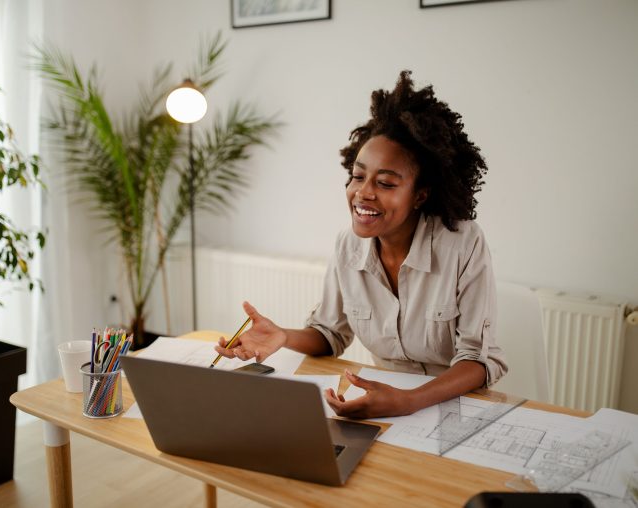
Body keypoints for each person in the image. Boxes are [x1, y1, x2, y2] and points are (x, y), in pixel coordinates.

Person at [214, 70, 507, 418]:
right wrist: (282, 337)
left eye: (385, 183)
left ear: (420, 195)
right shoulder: (348, 245)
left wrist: (409, 401)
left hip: (454, 406)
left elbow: (476, 359)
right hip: (384, 401)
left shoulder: (462, 243)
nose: (362, 193)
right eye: (357, 176)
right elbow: (329, 334)